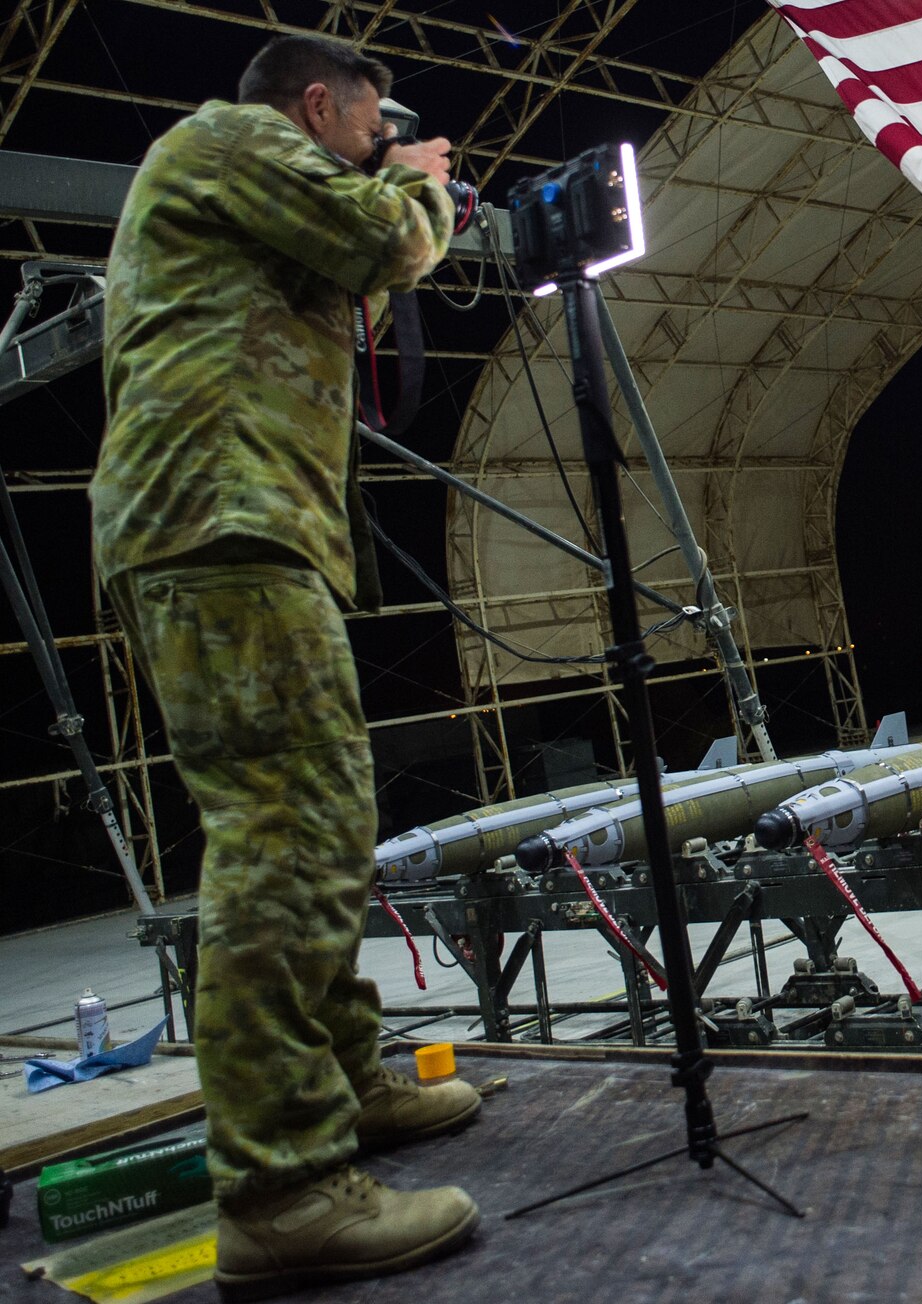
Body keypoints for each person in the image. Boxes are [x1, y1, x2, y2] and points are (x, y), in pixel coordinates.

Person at [90, 35, 480, 1296]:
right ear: (320, 105)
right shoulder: (233, 137)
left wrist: (389, 192)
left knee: (318, 820)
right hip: (221, 516)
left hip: (248, 523)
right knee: (281, 828)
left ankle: (346, 1089)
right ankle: (283, 1188)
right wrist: (416, 179)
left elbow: (341, 278)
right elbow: (383, 242)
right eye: (371, 130)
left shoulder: (251, 193)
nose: (382, 148)